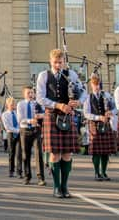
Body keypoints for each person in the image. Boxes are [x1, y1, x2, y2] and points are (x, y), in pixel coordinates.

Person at [36, 49, 87, 198]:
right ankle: (56, 187)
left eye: (60, 62)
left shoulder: (71, 75)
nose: (58, 65)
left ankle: (65, 187)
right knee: (54, 154)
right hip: (52, 115)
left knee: (67, 153)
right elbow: (40, 98)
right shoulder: (44, 76)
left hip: (67, 116)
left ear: (64, 61)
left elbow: (84, 91)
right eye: (55, 62)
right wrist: (58, 105)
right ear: (50, 62)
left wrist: (78, 101)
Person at [83, 74, 117, 181]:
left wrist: (111, 112)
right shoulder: (88, 98)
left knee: (105, 151)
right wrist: (98, 117)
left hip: (106, 124)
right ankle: (97, 173)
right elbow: (86, 114)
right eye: (95, 85)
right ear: (91, 85)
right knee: (97, 151)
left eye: (98, 85)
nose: (97, 87)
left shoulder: (107, 95)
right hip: (94, 125)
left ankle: (104, 172)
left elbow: (116, 108)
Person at [18, 86, 46, 186]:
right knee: (26, 154)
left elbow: (44, 114)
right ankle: (27, 176)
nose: (30, 94)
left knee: (39, 154)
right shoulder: (20, 104)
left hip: (36, 130)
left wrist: (40, 116)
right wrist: (30, 121)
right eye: (28, 93)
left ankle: (40, 177)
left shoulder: (38, 104)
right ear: (24, 94)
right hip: (25, 130)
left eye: (32, 93)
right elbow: (20, 119)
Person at [1, 97, 22, 178]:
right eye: (11, 104)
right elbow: (7, 127)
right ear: (7, 105)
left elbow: (20, 122)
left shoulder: (17, 113)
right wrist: (18, 130)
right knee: (11, 153)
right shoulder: (4, 114)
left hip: (19, 135)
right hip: (11, 135)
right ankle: (11, 170)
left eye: (14, 103)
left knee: (19, 154)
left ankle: (19, 172)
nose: (13, 105)